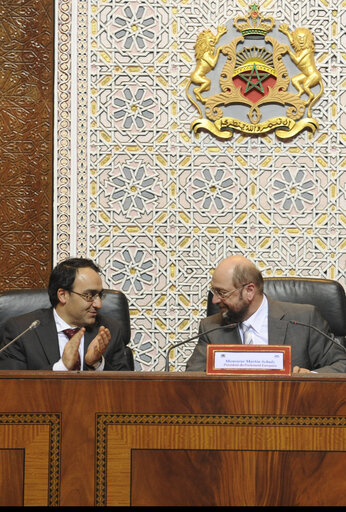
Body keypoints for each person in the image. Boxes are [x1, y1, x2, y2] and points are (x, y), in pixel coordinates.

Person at [186, 255, 346, 373]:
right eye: (214, 291)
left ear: (249, 291)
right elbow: (193, 380)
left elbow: (342, 364)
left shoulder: (304, 319)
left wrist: (310, 377)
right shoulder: (211, 328)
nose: (214, 300)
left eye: (222, 292)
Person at [0, 257, 130, 371]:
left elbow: (126, 389)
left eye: (99, 295)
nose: (98, 304)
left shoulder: (109, 330)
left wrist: (97, 363)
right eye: (89, 295)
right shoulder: (22, 331)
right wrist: (62, 367)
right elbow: (12, 387)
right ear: (63, 295)